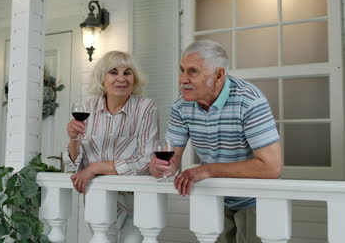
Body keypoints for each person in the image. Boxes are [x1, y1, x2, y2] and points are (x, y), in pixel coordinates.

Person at [149, 40, 282, 243]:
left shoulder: (250, 101)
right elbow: (171, 158)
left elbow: (271, 167)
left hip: (255, 198)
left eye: (192, 71)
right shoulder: (181, 106)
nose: (182, 79)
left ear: (218, 75)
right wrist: (161, 167)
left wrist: (207, 170)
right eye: (182, 70)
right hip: (214, 196)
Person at [62, 51, 159, 243]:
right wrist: (73, 139)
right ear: (102, 79)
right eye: (113, 72)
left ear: (135, 79)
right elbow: (73, 166)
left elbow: (145, 161)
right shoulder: (87, 108)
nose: (121, 78)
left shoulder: (146, 108)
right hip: (98, 196)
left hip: (135, 200)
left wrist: (95, 168)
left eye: (127, 73)